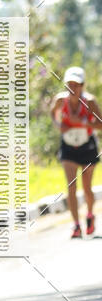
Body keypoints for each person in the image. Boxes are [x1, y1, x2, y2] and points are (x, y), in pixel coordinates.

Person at [51, 66, 101, 238]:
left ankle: (90, 215)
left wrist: (83, 122)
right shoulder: (60, 100)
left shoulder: (90, 102)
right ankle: (76, 225)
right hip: (68, 146)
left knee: (87, 188)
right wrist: (59, 125)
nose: (73, 88)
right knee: (71, 186)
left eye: (76, 85)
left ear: (82, 86)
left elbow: (100, 124)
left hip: (87, 146)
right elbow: (52, 113)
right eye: (69, 84)